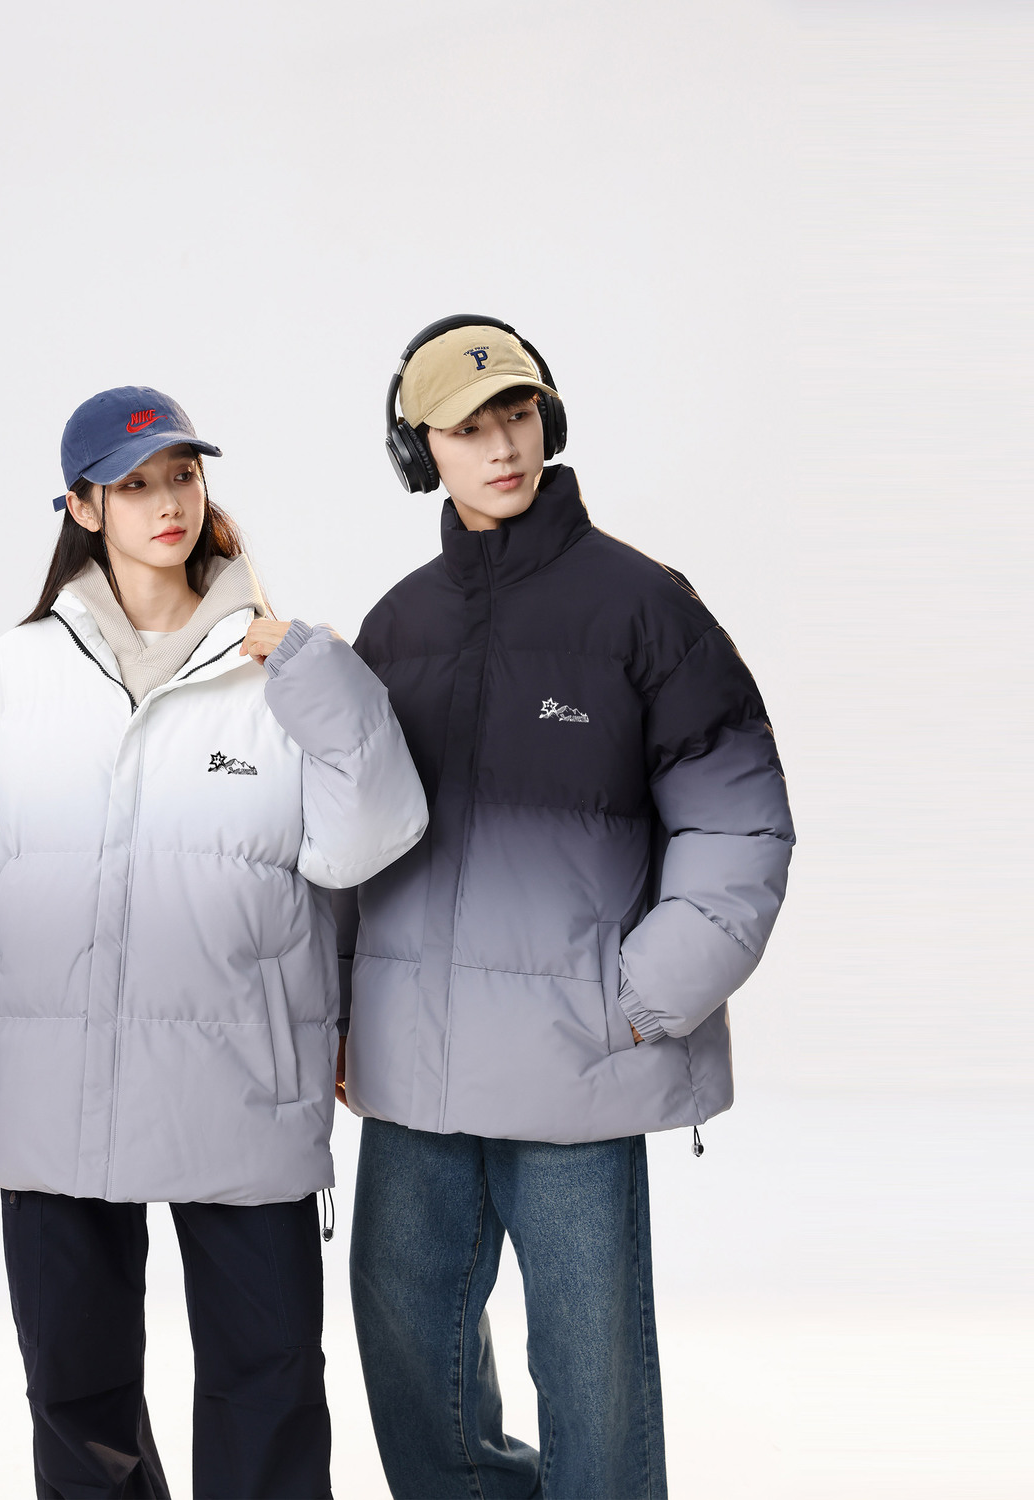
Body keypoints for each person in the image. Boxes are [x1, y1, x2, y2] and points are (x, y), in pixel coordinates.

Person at [0, 385, 428, 1500]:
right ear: (82, 508)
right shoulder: (14, 676)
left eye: (182, 475)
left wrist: (330, 687)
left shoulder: (287, 670)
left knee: (268, 1394)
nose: (168, 502)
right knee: (78, 1409)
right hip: (52, 1098)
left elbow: (371, 837)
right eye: (134, 485)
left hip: (243, 1091)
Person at [336, 317, 795, 1499]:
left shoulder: (645, 608)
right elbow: (345, 840)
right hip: (412, 1078)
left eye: (519, 414)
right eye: (468, 428)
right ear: (419, 451)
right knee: (409, 1367)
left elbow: (741, 824)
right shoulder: (395, 627)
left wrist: (640, 1000)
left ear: (551, 418)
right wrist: (338, 1016)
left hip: (578, 1071)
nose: (503, 447)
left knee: (595, 1394)